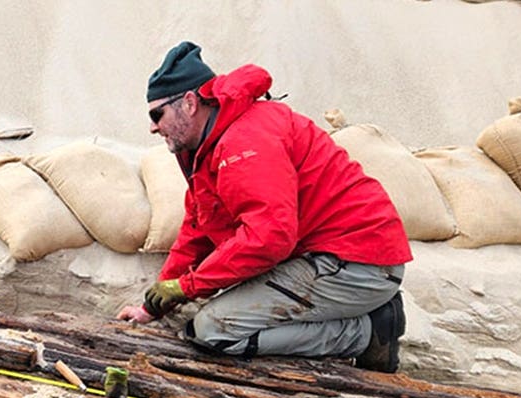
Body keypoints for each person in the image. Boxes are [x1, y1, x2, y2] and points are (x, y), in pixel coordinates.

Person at [116, 41, 413, 373]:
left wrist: (187, 286)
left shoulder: (245, 140)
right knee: (216, 324)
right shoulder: (210, 146)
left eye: (157, 114)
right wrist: (154, 306)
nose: (153, 127)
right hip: (332, 258)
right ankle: (362, 324)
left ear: (188, 103)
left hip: (357, 263)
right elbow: (198, 228)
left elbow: (269, 236)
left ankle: (368, 333)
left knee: (212, 333)